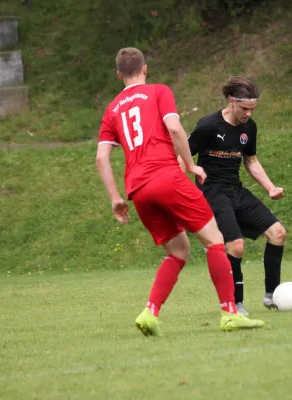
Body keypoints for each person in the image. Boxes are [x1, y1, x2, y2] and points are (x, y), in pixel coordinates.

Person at [95, 48, 264, 336]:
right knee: (215, 240)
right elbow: (174, 128)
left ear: (119, 75)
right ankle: (230, 312)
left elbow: (101, 158)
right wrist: (190, 165)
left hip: (138, 190)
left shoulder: (112, 109)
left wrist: (115, 199)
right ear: (145, 69)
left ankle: (150, 312)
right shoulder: (159, 91)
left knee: (178, 251)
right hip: (165, 176)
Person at [180, 76, 287, 316]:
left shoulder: (250, 127)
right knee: (236, 246)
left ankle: (273, 296)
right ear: (231, 101)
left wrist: (270, 187)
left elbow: (251, 160)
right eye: (245, 108)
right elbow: (182, 156)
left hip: (236, 190)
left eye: (252, 109)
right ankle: (235, 303)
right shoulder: (208, 125)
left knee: (278, 234)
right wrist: (183, 189)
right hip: (212, 192)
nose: (248, 114)